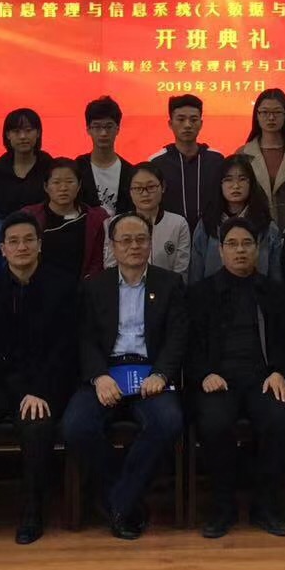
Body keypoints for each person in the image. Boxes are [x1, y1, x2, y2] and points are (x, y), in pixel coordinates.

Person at [62, 212, 188, 540]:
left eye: (141, 239)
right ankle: (128, 497)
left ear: (150, 243)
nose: (134, 246)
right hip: (107, 372)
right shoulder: (95, 286)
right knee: (75, 426)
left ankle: (117, 501)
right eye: (126, 240)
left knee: (168, 422)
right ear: (113, 246)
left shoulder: (170, 284)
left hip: (150, 373)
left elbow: (177, 337)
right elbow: (85, 338)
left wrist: (161, 373)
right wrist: (98, 376)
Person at [0, 211, 78, 547]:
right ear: (2, 249)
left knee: (37, 426)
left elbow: (65, 349)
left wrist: (42, 391)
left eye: (28, 240)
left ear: (40, 245)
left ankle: (32, 512)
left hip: (41, 385)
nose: (21, 247)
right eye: (13, 241)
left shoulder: (64, 286)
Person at [187, 217, 285, 538]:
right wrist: (204, 373)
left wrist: (279, 371)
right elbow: (188, 345)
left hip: (263, 377)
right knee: (214, 423)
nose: (240, 251)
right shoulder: (200, 294)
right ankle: (223, 507)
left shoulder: (275, 293)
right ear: (220, 251)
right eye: (232, 245)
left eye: (247, 244)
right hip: (218, 378)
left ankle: (267, 506)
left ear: (258, 249)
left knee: (279, 418)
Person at [188, 154, 282, 283]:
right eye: (228, 179)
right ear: (220, 184)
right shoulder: (207, 223)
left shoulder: (266, 225)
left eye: (242, 179)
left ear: (251, 183)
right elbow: (196, 274)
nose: (236, 186)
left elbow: (275, 276)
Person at [148, 94, 223, 242]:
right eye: (181, 119)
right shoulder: (156, 162)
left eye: (193, 120)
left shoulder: (216, 160)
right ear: (170, 123)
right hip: (168, 238)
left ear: (201, 123)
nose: (187, 125)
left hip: (210, 237)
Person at [241, 88, 285, 233]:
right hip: (254, 234)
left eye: (277, 112)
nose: (271, 117)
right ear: (257, 115)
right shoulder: (243, 155)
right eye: (265, 112)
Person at [102, 162, 190, 278]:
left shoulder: (178, 224)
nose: (145, 193)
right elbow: (110, 266)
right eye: (138, 188)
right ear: (130, 191)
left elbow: (181, 271)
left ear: (163, 187)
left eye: (151, 187)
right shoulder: (116, 223)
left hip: (168, 287)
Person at [26, 158, 109, 279]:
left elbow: (98, 261)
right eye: (56, 182)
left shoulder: (96, 219)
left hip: (84, 286)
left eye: (70, 182)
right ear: (46, 187)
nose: (63, 188)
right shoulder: (30, 216)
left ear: (79, 185)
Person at [0, 108, 53, 215]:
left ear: (38, 133)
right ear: (8, 135)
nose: (23, 136)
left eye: (28, 130)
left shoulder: (51, 168)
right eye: (16, 131)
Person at [76, 96, 134, 216]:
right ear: (88, 129)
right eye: (97, 127)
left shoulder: (130, 172)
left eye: (109, 127)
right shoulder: (77, 168)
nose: (103, 133)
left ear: (117, 129)